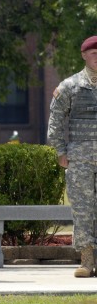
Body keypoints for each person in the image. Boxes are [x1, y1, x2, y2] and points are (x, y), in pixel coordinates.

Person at [47, 35, 97, 278]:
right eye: (94, 53)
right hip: (80, 160)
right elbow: (55, 120)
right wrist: (60, 151)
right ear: (84, 55)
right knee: (83, 210)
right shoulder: (70, 86)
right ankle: (87, 261)